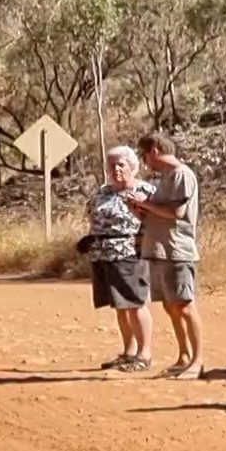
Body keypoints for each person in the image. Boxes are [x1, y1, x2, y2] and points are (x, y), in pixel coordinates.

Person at [129, 131, 205, 379]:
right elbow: (160, 213)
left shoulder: (182, 175)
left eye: (144, 156)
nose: (145, 162)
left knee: (184, 305)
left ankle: (197, 361)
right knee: (170, 306)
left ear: (154, 152)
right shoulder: (166, 178)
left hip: (177, 251)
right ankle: (183, 356)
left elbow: (177, 212)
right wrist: (140, 210)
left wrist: (146, 202)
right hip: (160, 250)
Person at [84, 146, 155, 373]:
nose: (115, 169)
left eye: (120, 164)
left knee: (135, 303)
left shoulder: (145, 191)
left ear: (132, 166)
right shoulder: (102, 192)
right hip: (103, 253)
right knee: (120, 306)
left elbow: (157, 221)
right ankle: (129, 352)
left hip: (130, 253)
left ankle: (144, 354)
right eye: (111, 165)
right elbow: (91, 214)